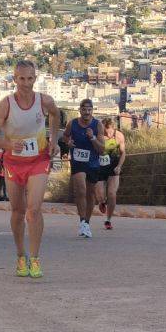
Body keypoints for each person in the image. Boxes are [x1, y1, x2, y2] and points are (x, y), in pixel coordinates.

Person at [0, 60, 60, 278]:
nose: (26, 83)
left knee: (33, 210)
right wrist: (9, 145)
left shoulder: (45, 101)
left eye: (30, 78)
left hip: (39, 160)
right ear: (14, 79)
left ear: (35, 79)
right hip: (14, 162)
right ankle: (21, 255)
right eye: (21, 78)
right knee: (18, 211)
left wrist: (53, 140)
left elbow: (56, 116)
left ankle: (35, 259)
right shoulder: (6, 105)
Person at [62, 99, 105, 238]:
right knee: (80, 190)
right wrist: (68, 142)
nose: (87, 112)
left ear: (92, 110)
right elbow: (65, 137)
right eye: (84, 109)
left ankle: (87, 222)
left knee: (90, 194)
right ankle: (82, 221)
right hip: (78, 161)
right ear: (80, 110)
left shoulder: (97, 125)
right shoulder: (72, 123)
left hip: (93, 163)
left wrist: (92, 138)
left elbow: (102, 149)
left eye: (89, 109)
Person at [96, 118, 126, 230]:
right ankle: (101, 202)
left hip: (113, 165)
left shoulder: (119, 136)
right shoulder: (98, 135)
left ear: (113, 128)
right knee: (100, 195)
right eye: (105, 131)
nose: (107, 134)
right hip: (99, 165)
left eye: (109, 131)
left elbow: (123, 153)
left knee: (112, 194)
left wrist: (119, 166)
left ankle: (108, 220)